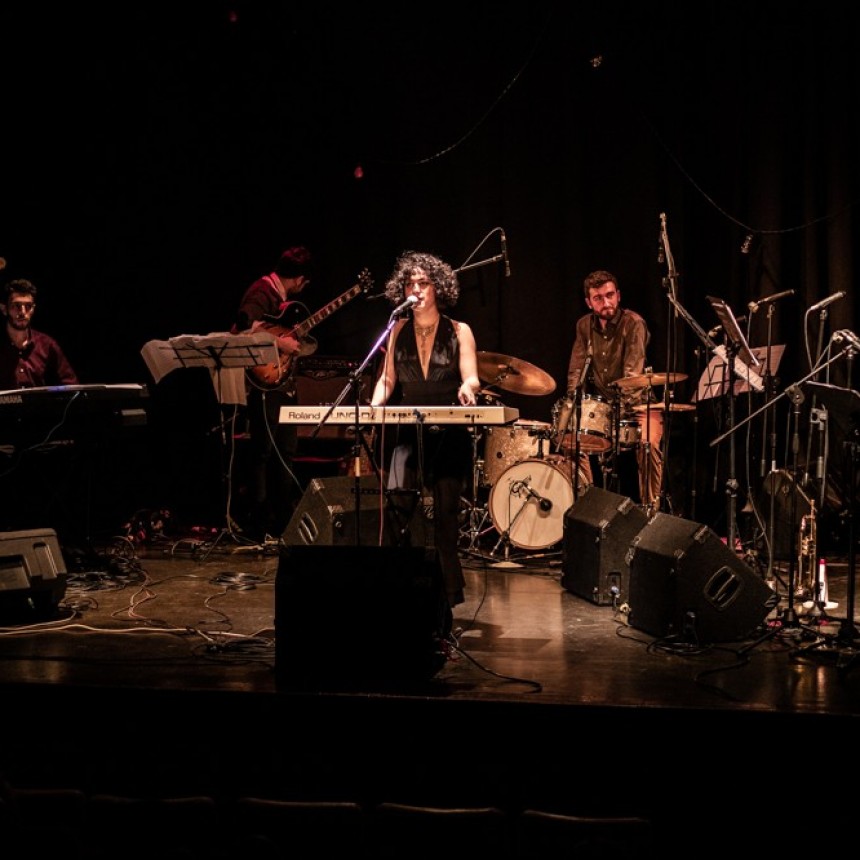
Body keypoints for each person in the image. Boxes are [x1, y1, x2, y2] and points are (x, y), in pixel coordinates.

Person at [370, 250, 481, 616]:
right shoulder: (396, 329)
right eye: (410, 284)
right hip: (406, 428)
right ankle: (399, 591)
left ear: (438, 288)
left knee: (446, 517)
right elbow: (388, 379)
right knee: (397, 509)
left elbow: (471, 376)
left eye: (423, 283)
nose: (416, 290)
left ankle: (446, 601)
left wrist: (468, 388)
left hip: (448, 429)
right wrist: (374, 406)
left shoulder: (460, 330)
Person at [232, 246, 313, 541]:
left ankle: (282, 522)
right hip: (264, 386)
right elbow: (242, 330)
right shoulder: (261, 291)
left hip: (281, 385)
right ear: (300, 280)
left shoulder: (279, 298)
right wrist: (281, 344)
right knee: (263, 452)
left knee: (285, 451)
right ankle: (259, 523)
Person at [564, 269, 664, 510]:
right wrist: (572, 405)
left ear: (618, 296)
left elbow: (632, 376)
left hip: (639, 405)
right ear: (589, 302)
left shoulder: (634, 323)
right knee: (570, 442)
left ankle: (651, 511)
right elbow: (576, 371)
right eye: (598, 298)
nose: (606, 302)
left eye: (610, 295)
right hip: (603, 408)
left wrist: (619, 416)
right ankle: (588, 504)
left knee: (648, 446)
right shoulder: (584, 326)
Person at [0, 278, 78, 389]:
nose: (23, 312)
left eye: (28, 306)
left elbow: (71, 386)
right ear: (4, 309)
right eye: (16, 305)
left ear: (33, 309)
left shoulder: (46, 345)